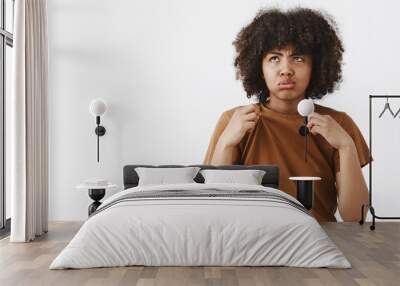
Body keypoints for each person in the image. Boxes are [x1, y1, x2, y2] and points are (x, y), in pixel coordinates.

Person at [203, 7, 372, 222]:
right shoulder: (234, 121)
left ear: (316, 67)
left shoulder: (338, 123)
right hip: (252, 242)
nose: (286, 69)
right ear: (259, 67)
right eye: (274, 58)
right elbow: (212, 205)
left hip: (319, 241)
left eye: (298, 58)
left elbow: (354, 216)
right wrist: (226, 143)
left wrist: (346, 146)